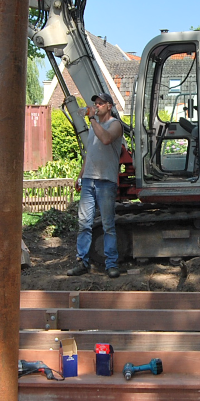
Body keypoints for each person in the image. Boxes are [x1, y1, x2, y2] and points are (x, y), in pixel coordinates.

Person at [67, 92, 124, 278]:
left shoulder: (115, 125)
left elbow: (106, 139)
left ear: (109, 106)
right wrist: (80, 175)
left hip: (105, 181)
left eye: (100, 104)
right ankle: (82, 261)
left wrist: (92, 119)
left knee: (108, 224)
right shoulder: (95, 127)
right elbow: (90, 154)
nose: (96, 106)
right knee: (84, 223)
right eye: (95, 104)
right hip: (89, 181)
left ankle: (111, 264)